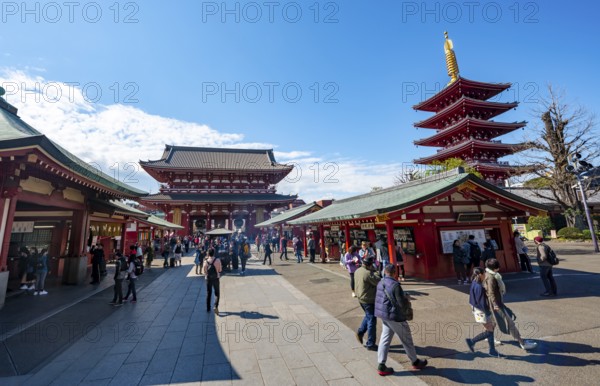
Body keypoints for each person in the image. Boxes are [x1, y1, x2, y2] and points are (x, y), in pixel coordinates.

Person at [375, 264, 428, 376]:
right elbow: (402, 304)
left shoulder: (381, 282)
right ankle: (415, 361)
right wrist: (406, 299)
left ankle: (381, 364)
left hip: (384, 315)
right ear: (395, 273)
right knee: (407, 339)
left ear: (385, 272)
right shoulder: (395, 285)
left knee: (384, 339)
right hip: (395, 316)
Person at [483, 258, 537, 351]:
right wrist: (495, 304)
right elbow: (491, 293)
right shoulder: (492, 277)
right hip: (496, 305)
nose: (499, 268)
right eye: (497, 267)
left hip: (492, 304)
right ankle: (522, 343)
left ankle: (488, 336)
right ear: (495, 268)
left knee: (493, 322)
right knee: (509, 323)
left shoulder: (487, 274)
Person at [465, 267, 499, 356]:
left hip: (476, 308)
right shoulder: (479, 287)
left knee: (491, 327)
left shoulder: (475, 282)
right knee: (490, 330)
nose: (485, 275)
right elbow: (481, 302)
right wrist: (488, 312)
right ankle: (472, 341)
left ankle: (492, 350)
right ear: (480, 275)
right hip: (480, 310)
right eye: (484, 273)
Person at [354, 256, 381, 351]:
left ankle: (360, 332)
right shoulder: (368, 273)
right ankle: (370, 343)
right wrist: (376, 270)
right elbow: (378, 280)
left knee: (368, 316)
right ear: (370, 265)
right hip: (368, 299)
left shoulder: (358, 270)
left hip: (361, 298)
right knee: (372, 320)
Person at [202, 248, 222, 315]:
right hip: (216, 278)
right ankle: (215, 306)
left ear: (208, 253)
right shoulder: (218, 260)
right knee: (217, 293)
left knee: (209, 293)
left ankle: (208, 308)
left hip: (208, 279)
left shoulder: (205, 261)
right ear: (214, 253)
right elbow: (220, 270)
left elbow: (204, 271)